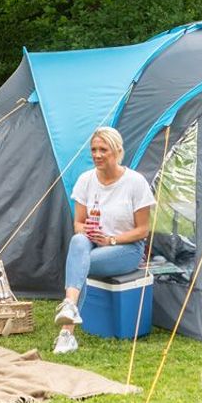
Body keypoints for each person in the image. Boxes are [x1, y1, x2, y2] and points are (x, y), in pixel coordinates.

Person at [53, 127, 155, 354]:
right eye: (94, 150)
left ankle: (67, 332)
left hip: (126, 249)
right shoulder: (85, 180)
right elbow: (77, 224)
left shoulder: (135, 182)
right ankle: (70, 309)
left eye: (103, 150)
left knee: (79, 263)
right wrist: (87, 230)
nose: (97, 155)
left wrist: (110, 239)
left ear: (117, 151)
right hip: (92, 244)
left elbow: (143, 231)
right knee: (78, 242)